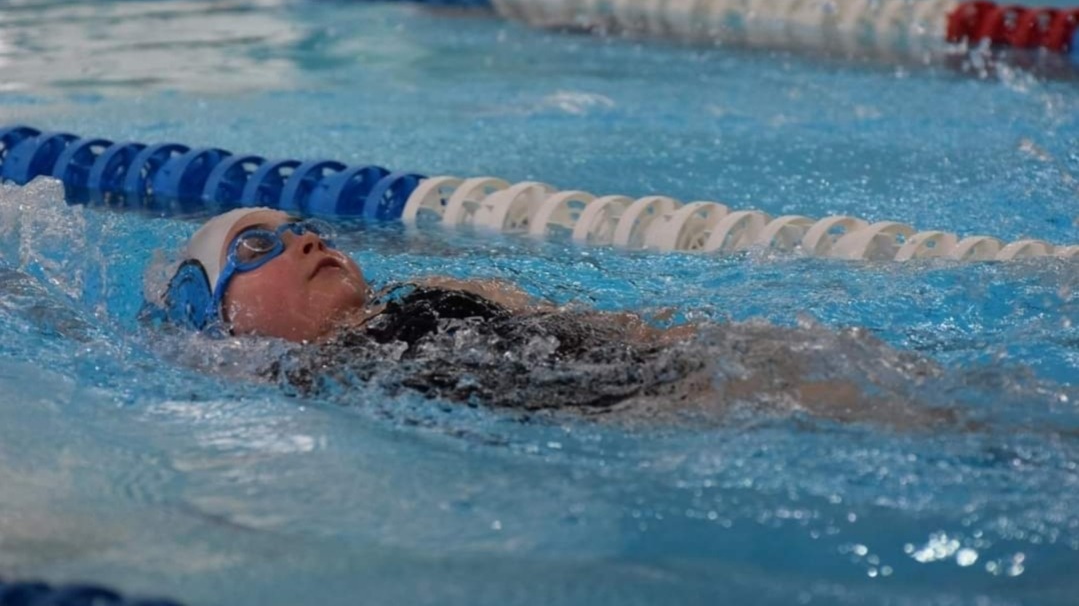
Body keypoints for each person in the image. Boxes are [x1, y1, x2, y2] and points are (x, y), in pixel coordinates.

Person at [148, 207, 953, 426]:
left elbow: (616, 322)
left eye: (302, 228)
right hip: (655, 416)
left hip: (691, 371)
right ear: (218, 318)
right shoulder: (292, 379)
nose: (305, 239)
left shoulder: (435, 285)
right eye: (258, 246)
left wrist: (694, 341)